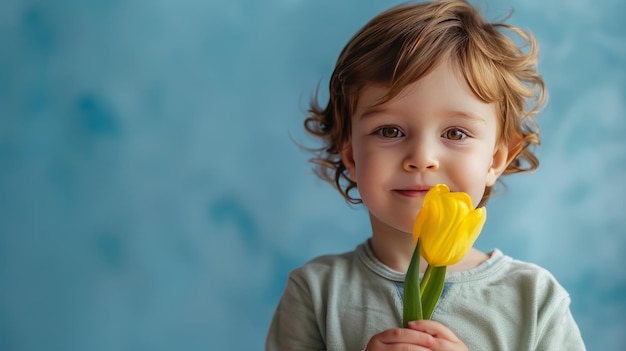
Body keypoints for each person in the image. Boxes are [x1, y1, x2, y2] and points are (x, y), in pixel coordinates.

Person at [266, 0, 586, 350]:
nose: (422, 159)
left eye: (455, 134)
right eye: (389, 131)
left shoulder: (536, 299)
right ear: (352, 158)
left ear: (495, 160)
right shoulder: (315, 294)